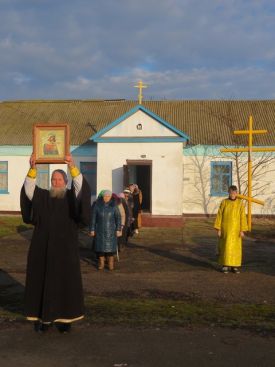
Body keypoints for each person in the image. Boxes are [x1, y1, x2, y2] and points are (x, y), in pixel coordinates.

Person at [20, 154, 91, 333]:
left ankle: (66, 320)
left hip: (65, 250)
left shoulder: (70, 198)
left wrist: (73, 166)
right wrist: (33, 168)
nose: (56, 182)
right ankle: (43, 320)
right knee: (41, 282)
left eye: (60, 179)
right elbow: (28, 190)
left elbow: (81, 187)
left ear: (66, 181)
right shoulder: (43, 196)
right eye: (53, 179)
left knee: (66, 283)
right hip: (42, 249)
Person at [214, 185, 248, 274]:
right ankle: (225, 265)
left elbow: (243, 217)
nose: (232, 194)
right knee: (225, 247)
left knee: (235, 248)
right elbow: (219, 215)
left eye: (234, 193)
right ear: (228, 193)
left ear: (236, 193)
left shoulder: (240, 203)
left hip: (236, 230)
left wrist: (242, 230)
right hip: (226, 229)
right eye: (231, 192)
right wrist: (218, 228)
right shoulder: (224, 202)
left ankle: (234, 266)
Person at [89, 190, 121, 271]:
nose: (106, 198)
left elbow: (118, 218)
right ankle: (101, 263)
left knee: (110, 249)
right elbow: (93, 218)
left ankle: (111, 263)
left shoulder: (114, 206)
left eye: (108, 196)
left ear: (111, 197)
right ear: (102, 196)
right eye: (105, 196)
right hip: (99, 230)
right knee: (100, 248)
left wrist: (118, 229)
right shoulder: (97, 205)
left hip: (111, 231)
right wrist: (92, 229)